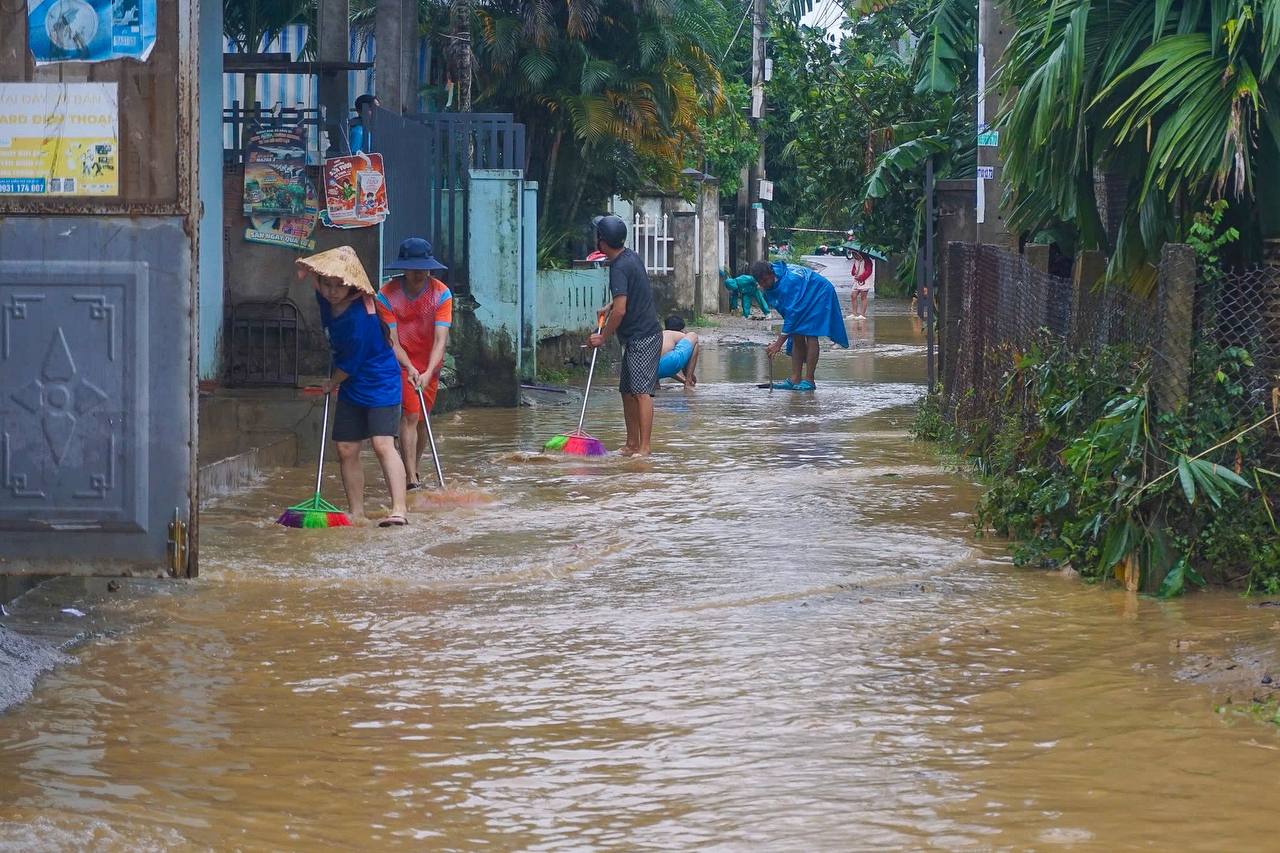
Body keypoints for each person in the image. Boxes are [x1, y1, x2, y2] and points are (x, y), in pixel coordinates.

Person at [296, 246, 409, 526]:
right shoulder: (325, 299)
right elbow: (315, 277)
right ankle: (356, 512)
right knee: (346, 448)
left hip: (379, 381)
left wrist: (329, 384)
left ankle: (399, 510)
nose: (332, 291)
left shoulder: (361, 317)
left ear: (353, 288)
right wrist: (308, 271)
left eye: (339, 286)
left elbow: (351, 364)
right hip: (353, 384)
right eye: (327, 285)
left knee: (383, 444)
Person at [376, 237, 453, 491]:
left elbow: (441, 339)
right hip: (400, 361)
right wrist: (409, 367)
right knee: (409, 413)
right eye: (413, 267)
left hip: (430, 360)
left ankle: (414, 468)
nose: (419, 273)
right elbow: (393, 341)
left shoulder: (441, 294)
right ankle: (409, 478)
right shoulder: (386, 295)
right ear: (403, 267)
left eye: (423, 267)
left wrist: (430, 371)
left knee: (421, 418)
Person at [587, 214, 663, 456]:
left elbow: (621, 311)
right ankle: (631, 444)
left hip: (643, 336)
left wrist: (603, 337)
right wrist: (609, 306)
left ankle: (644, 448)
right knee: (627, 391)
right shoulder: (629, 256)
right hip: (635, 336)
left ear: (602, 242)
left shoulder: (619, 267)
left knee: (641, 392)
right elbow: (626, 297)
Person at [750, 259, 849, 392]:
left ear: (772, 274)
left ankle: (809, 380)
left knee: (810, 333)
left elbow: (792, 315)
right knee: (797, 334)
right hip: (803, 292)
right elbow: (788, 313)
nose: (765, 285)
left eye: (766, 281)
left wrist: (779, 343)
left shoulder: (789, 281)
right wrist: (784, 337)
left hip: (819, 292)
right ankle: (795, 378)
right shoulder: (771, 277)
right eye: (761, 283)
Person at [658, 315, 701, 388]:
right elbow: (670, 363)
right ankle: (689, 382)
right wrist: (688, 375)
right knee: (694, 337)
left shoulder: (660, 333)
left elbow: (666, 367)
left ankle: (656, 385)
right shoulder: (679, 334)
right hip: (669, 362)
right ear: (682, 330)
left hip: (651, 370)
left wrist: (682, 380)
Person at [848, 250, 874, 320]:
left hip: (865, 281)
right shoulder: (856, 261)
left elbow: (868, 271)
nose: (855, 256)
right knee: (853, 296)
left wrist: (861, 277)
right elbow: (853, 270)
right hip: (857, 281)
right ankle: (854, 313)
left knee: (863, 297)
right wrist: (854, 272)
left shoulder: (867, 261)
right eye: (853, 255)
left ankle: (862, 314)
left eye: (855, 255)